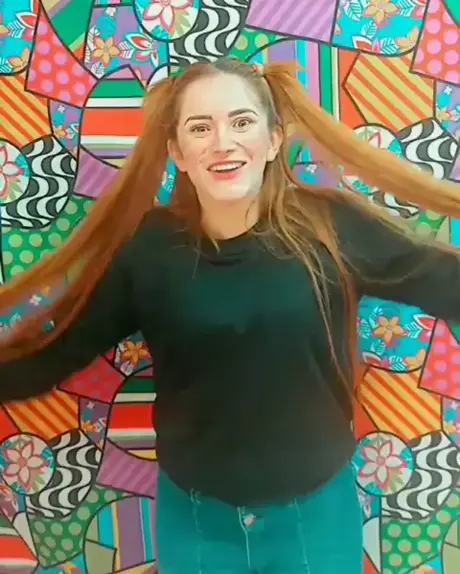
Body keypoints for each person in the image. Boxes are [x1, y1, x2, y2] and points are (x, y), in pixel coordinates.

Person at [0, 58, 460, 574]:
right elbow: (58, 351)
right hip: (197, 522)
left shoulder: (330, 228)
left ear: (273, 139)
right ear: (178, 152)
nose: (223, 142)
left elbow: (442, 280)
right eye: (201, 128)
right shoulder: (150, 250)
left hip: (314, 521)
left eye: (241, 121)